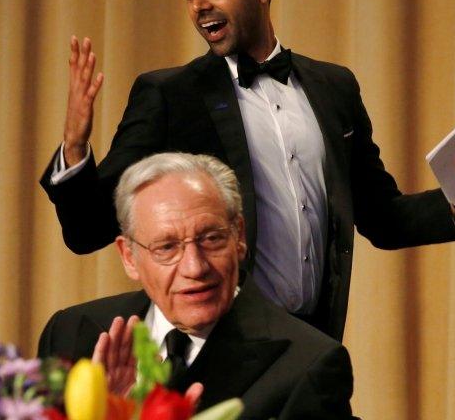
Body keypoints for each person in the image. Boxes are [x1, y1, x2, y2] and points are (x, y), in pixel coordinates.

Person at [40, 0, 455, 341]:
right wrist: (75, 148)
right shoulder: (169, 95)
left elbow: (379, 216)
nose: (199, 5)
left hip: (316, 343)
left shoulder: (334, 87)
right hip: (222, 346)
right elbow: (89, 230)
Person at [39, 153, 356, 419]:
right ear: (129, 257)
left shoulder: (308, 365)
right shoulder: (71, 333)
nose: (195, 267)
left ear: (239, 237)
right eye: (166, 247)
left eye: (212, 238)